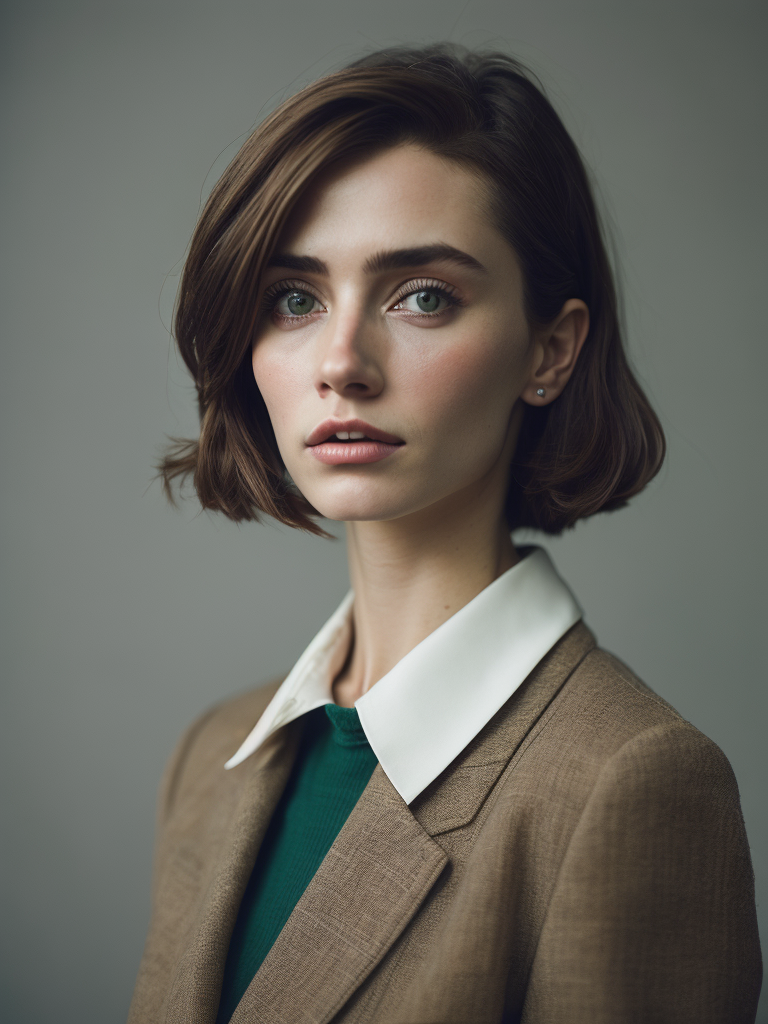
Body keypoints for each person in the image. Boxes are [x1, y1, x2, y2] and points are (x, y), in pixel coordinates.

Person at [128, 44, 762, 1024]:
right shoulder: (211, 757)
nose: (342, 361)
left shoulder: (632, 781)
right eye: (294, 299)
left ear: (551, 350)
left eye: (422, 296)